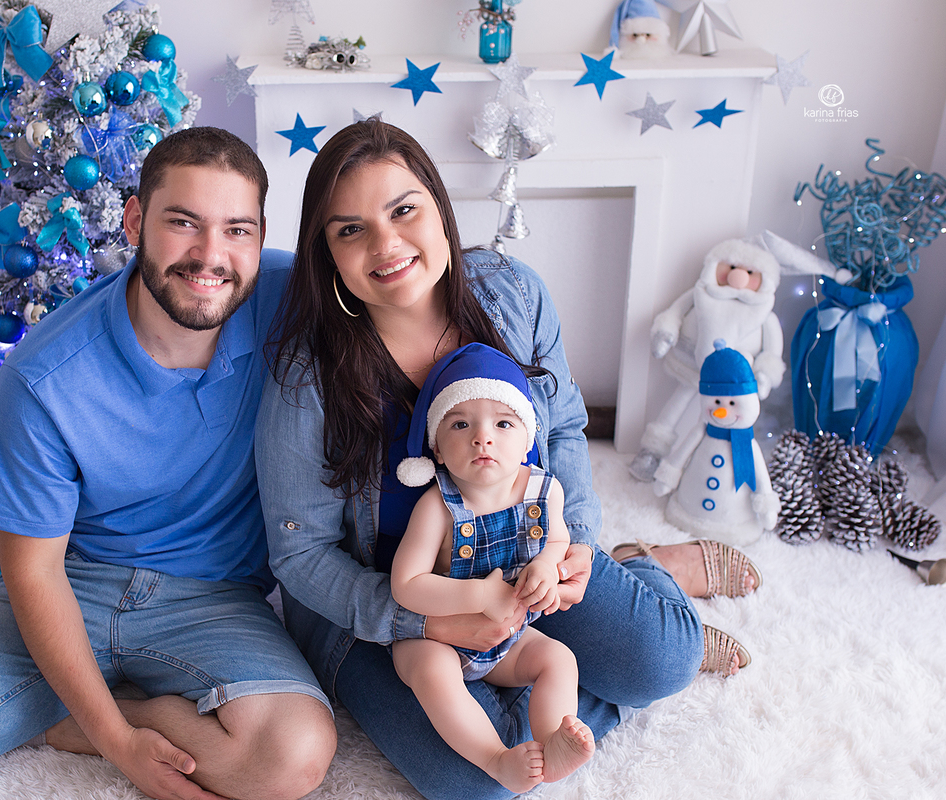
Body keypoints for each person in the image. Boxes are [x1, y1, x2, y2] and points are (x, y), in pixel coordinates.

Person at [0, 127, 336, 800]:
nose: (211, 255)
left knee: (293, 756)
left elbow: (420, 283)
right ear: (137, 219)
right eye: (184, 223)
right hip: (70, 585)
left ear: (260, 238)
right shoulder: (45, 376)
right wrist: (121, 745)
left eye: (238, 230)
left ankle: (71, 717)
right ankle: (82, 712)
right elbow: (34, 573)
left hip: (216, 600)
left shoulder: (291, 298)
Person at [255, 117, 761, 800]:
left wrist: (576, 542)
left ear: (439, 207)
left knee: (663, 661)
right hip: (380, 608)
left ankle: (642, 569)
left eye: (404, 210)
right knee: (479, 785)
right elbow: (300, 556)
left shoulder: (513, 292)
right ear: (329, 254)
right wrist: (424, 618)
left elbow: (569, 428)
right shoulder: (306, 373)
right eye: (351, 230)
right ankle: (586, 679)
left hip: (522, 563)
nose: (386, 243)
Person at [390, 343, 595, 793]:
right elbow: (405, 585)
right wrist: (478, 596)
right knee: (433, 674)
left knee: (558, 659)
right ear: (437, 450)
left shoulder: (544, 491)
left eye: (503, 424)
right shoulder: (436, 508)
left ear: (527, 441)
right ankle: (495, 758)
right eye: (460, 424)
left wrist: (547, 564)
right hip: (435, 639)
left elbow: (558, 538)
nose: (482, 437)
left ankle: (552, 740)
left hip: (508, 637)